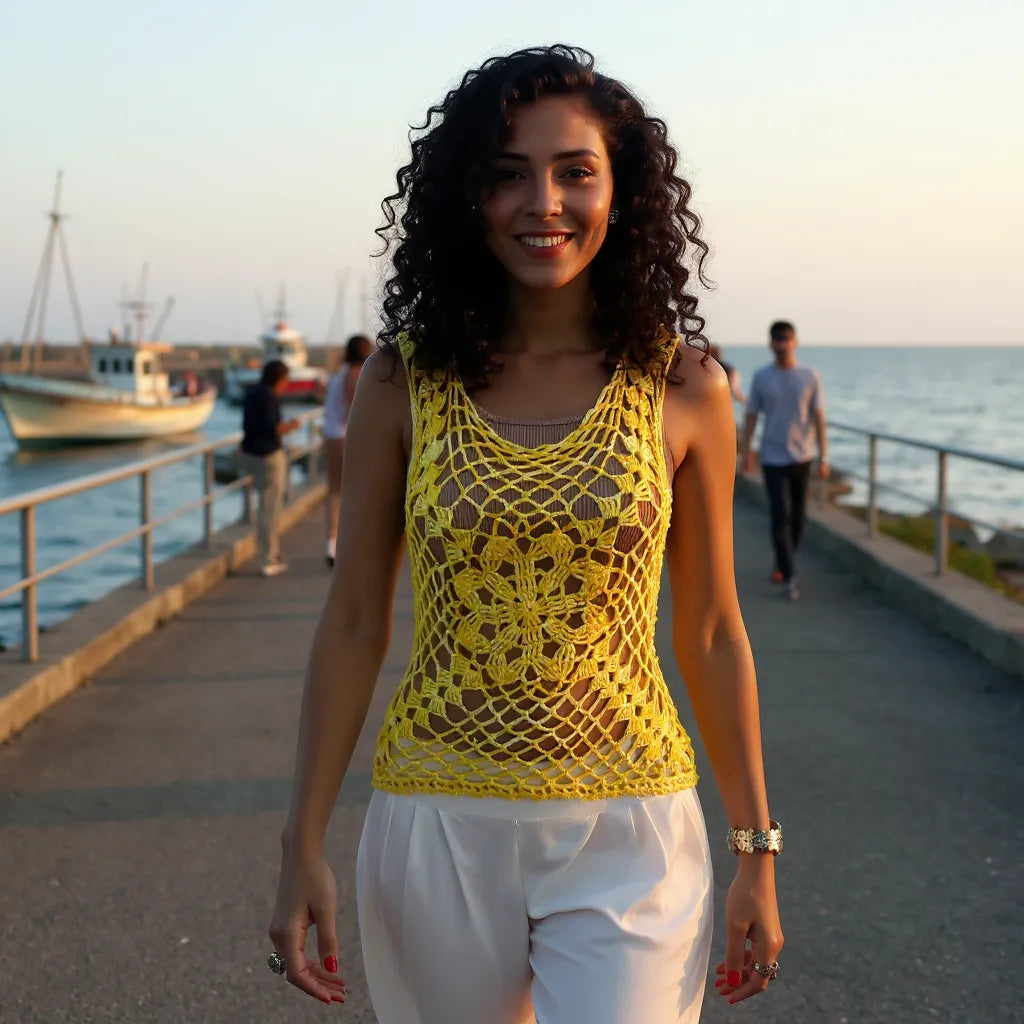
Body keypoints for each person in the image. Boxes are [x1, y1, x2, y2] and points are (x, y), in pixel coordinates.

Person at [268, 45, 783, 1023]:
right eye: (506, 175)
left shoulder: (685, 388)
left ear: (620, 191)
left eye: (573, 171)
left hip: (630, 827)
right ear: (469, 197)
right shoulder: (400, 382)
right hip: (437, 823)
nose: (541, 202)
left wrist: (757, 852)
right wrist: (300, 844)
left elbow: (712, 630)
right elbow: (352, 626)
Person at [740, 321, 829, 601]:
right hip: (773, 457)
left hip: (803, 456)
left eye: (787, 339)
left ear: (795, 342)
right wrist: (747, 453)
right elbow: (751, 415)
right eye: (777, 339)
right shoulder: (762, 377)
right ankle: (790, 576)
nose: (782, 344)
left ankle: (782, 561)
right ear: (771, 344)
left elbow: (819, 417)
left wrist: (824, 457)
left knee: (799, 519)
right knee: (780, 516)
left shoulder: (809, 375)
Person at [237, 360, 301, 577]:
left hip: (249, 455)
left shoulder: (252, 392)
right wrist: (292, 425)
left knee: (261, 505)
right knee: (270, 509)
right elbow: (274, 428)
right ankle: (270, 557)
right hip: (269, 456)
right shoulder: (269, 397)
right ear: (279, 379)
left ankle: (268, 552)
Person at [321, 334, 373, 568]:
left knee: (335, 493)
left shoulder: (337, 375)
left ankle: (332, 544)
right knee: (356, 494)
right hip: (347, 438)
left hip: (331, 436)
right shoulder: (356, 374)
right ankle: (352, 547)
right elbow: (356, 410)